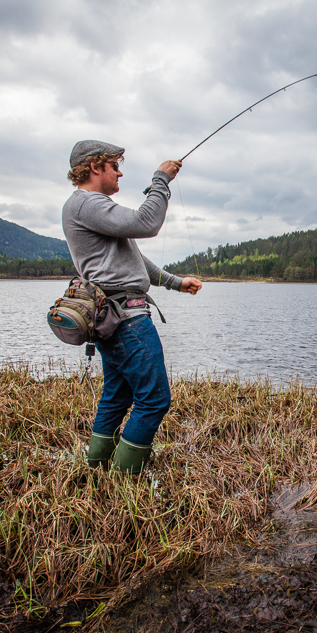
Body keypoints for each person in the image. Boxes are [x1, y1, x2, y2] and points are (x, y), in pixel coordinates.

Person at [62, 140, 202, 474]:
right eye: (114, 165)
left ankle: (95, 469)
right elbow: (146, 223)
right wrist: (160, 180)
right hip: (126, 320)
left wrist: (175, 282)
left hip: (113, 316)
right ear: (96, 167)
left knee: (117, 395)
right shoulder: (86, 204)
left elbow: (133, 257)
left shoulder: (88, 208)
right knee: (154, 399)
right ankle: (124, 482)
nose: (120, 172)